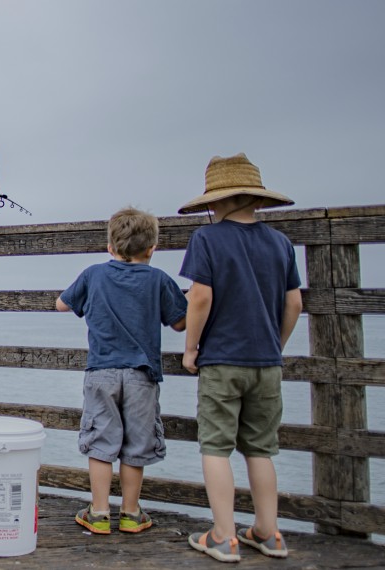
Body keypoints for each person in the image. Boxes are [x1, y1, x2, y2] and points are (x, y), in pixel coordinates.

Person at [178, 153, 302, 562]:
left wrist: (192, 348)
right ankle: (269, 532)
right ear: (257, 199)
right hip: (267, 361)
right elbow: (294, 304)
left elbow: (200, 297)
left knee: (215, 447)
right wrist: (275, 344)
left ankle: (224, 535)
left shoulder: (207, 238)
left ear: (216, 201)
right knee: (261, 449)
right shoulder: (281, 243)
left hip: (222, 360)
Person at [56, 207, 188, 534]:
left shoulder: (94, 274)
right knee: (136, 445)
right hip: (142, 375)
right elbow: (180, 321)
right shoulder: (158, 280)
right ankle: (131, 513)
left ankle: (99, 512)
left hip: (101, 371)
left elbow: (62, 303)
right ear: (151, 248)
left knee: (101, 441)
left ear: (110, 247)